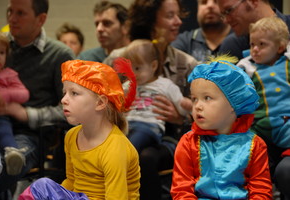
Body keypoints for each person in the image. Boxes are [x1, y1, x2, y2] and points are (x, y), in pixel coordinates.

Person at [104, 0, 198, 199]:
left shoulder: (186, 63)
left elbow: (201, 112)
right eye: (169, 16)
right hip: (127, 127)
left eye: (178, 15)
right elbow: (103, 101)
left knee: (141, 157)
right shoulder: (119, 59)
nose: (179, 21)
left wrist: (180, 119)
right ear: (150, 21)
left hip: (167, 137)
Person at [18, 59, 140, 200]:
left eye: (74, 93)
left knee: (42, 186)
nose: (64, 100)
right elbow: (71, 182)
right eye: (64, 93)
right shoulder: (72, 135)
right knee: (41, 187)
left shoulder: (115, 148)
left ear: (100, 103)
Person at [0, 0, 75, 198]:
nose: (11, 18)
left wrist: (25, 114)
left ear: (41, 19)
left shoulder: (60, 55)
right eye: (10, 11)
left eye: (20, 13)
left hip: (28, 134)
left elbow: (73, 109)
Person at [171, 55, 272, 199]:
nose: (198, 106)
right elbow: (181, 190)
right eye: (194, 99)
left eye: (207, 98)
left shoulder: (255, 145)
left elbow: (261, 190)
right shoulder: (188, 143)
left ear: (234, 103)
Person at [237, 16, 290, 200]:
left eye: (262, 44)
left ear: (280, 47)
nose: (255, 49)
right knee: (247, 149)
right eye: (252, 44)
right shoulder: (246, 67)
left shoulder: (288, 65)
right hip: (259, 124)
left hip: (287, 121)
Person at [120, 39, 192, 153]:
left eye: (137, 68)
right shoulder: (128, 85)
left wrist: (187, 106)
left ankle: (122, 162)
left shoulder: (165, 85)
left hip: (149, 127)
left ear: (153, 66)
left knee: (129, 147)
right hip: (127, 126)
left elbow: (181, 108)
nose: (133, 73)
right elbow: (115, 100)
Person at [0, 28, 29, 176]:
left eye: (1, 52)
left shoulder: (9, 75)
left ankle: (13, 154)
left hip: (0, 116)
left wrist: (5, 94)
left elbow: (24, 94)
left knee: (4, 132)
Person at [217, 0, 290, 60]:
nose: (226, 20)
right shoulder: (232, 46)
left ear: (253, 1)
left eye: (229, 10)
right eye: (223, 14)